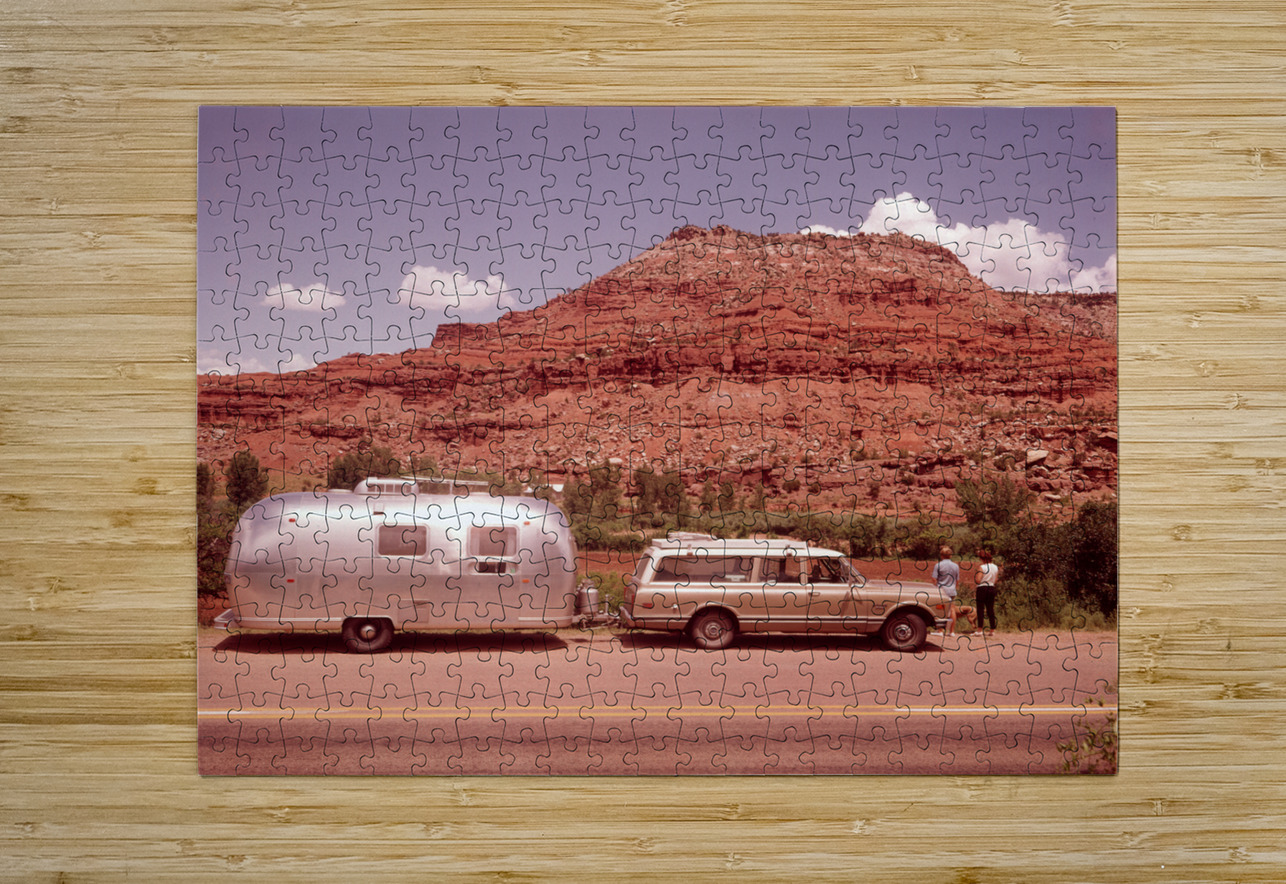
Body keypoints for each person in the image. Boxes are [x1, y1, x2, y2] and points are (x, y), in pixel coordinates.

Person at [931, 546, 965, 636]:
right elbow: (957, 580)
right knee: (952, 610)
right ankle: (952, 631)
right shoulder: (956, 566)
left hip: (942, 590)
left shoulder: (938, 565)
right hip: (952, 590)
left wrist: (936, 587)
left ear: (941, 555)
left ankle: (940, 631)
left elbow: (934, 579)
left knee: (941, 610)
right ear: (950, 555)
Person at [975, 549, 1001, 635]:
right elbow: (996, 580)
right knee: (990, 609)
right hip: (991, 588)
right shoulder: (995, 567)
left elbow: (978, 580)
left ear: (983, 559)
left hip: (982, 588)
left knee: (980, 609)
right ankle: (992, 629)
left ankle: (979, 629)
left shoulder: (982, 567)